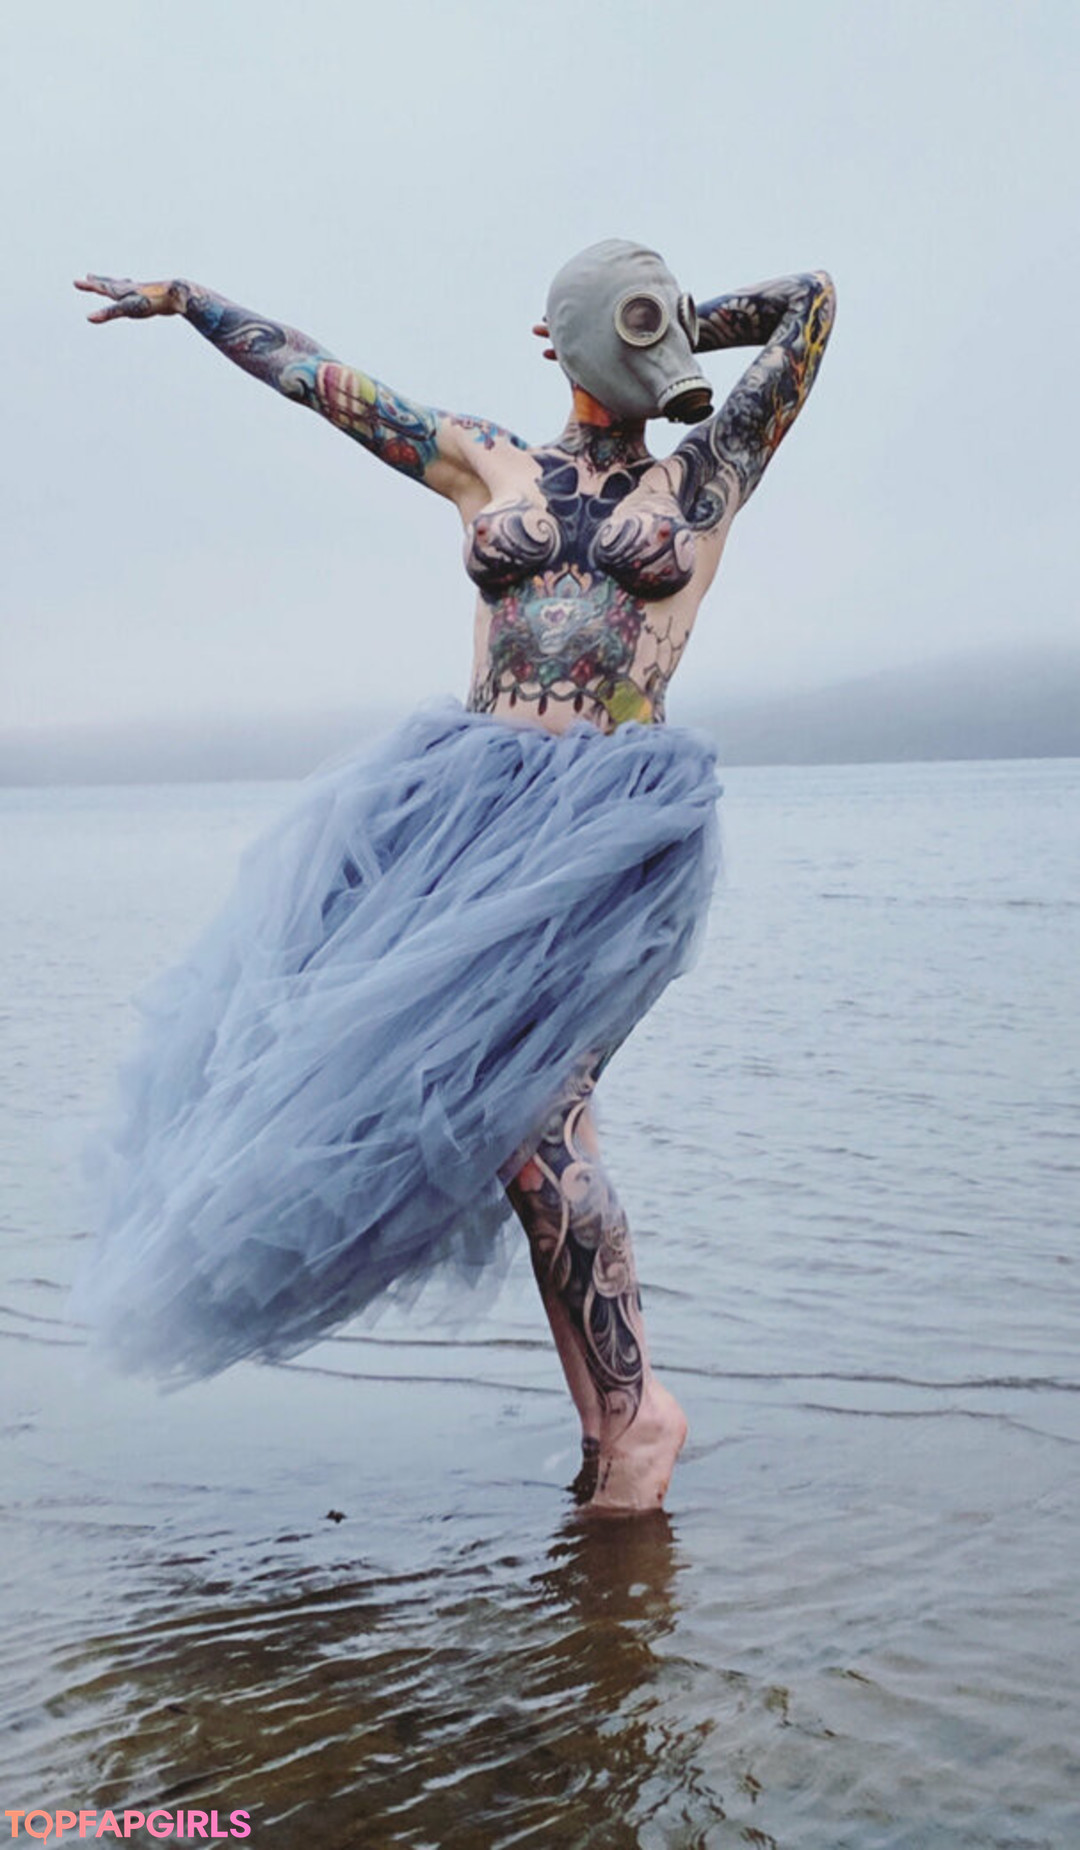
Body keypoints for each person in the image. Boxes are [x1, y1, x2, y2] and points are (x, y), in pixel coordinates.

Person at [73, 242, 835, 1513]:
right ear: (562, 342)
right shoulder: (489, 459)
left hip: (610, 827)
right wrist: (195, 303)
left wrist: (672, 321)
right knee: (512, 1128)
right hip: (467, 817)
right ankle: (604, 1417)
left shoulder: (706, 470)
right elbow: (326, 383)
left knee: (536, 1117)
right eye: (625, 339)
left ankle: (641, 1414)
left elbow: (813, 304)